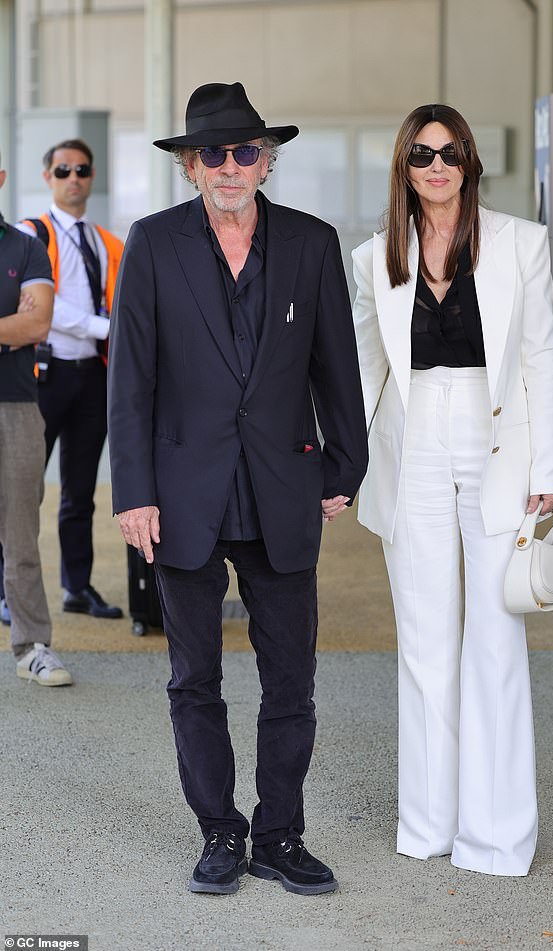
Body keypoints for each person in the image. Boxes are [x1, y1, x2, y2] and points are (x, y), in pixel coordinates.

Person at [108, 82, 368, 896]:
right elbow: (133, 381)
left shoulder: (312, 244)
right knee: (195, 678)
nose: (230, 165)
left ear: (266, 162)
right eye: (213, 152)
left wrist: (343, 467)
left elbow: (337, 367)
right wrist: (133, 491)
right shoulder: (151, 245)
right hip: (182, 492)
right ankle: (220, 829)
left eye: (245, 151)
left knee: (292, 676)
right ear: (190, 166)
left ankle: (281, 834)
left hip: (282, 488)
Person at [352, 104, 553, 877]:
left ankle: (499, 835)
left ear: (470, 161)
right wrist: (341, 466)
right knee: (424, 640)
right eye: (421, 154)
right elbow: (366, 372)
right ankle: (429, 822)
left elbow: (542, 358)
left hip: (496, 439)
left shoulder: (522, 243)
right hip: (415, 447)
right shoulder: (374, 255)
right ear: (404, 168)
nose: (436, 166)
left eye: (449, 153)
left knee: (495, 639)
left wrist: (551, 472)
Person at [1, 138, 124, 621]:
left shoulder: (106, 241)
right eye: (64, 170)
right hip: (43, 376)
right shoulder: (32, 235)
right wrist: (100, 326)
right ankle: (9, 591)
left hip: (92, 374)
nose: (74, 177)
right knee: (19, 490)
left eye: (82, 169)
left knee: (80, 491)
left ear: (91, 177)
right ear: (47, 177)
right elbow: (46, 314)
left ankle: (78, 586)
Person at [0, 152, 72, 686]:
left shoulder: (25, 248)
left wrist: (19, 325)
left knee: (21, 535)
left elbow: (36, 323)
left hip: (16, 408)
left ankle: (31, 647)